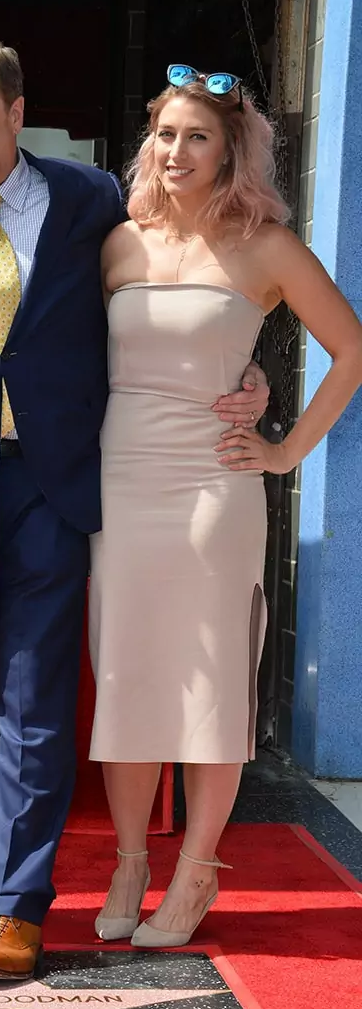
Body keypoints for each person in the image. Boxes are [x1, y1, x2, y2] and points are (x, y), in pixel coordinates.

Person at [0, 40, 270, 980]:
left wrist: (248, 371)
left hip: (53, 482)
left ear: (15, 111)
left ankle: (16, 906)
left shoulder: (87, 200)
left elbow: (184, 268)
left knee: (35, 697)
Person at [90, 64, 362, 949]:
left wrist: (283, 445)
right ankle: (131, 858)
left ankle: (199, 866)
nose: (176, 150)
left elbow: (351, 350)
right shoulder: (117, 241)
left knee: (208, 682)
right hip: (119, 486)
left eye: (196, 135)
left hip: (214, 488)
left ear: (230, 148)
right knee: (127, 678)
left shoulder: (266, 245)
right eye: (164, 133)